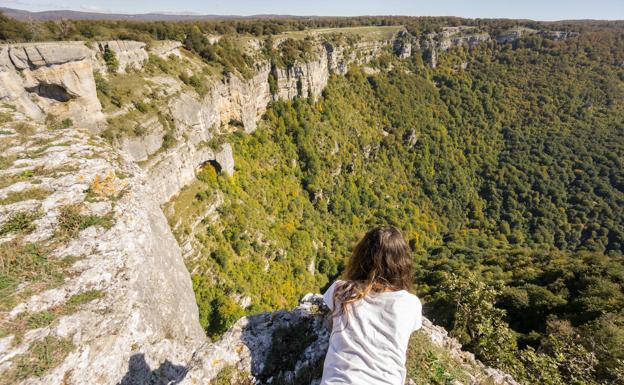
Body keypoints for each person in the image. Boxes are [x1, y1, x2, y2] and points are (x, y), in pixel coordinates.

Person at [320, 226, 422, 385]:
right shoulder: (411, 304)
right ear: (402, 265)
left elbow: (328, 318)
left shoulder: (341, 290)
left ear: (361, 257)